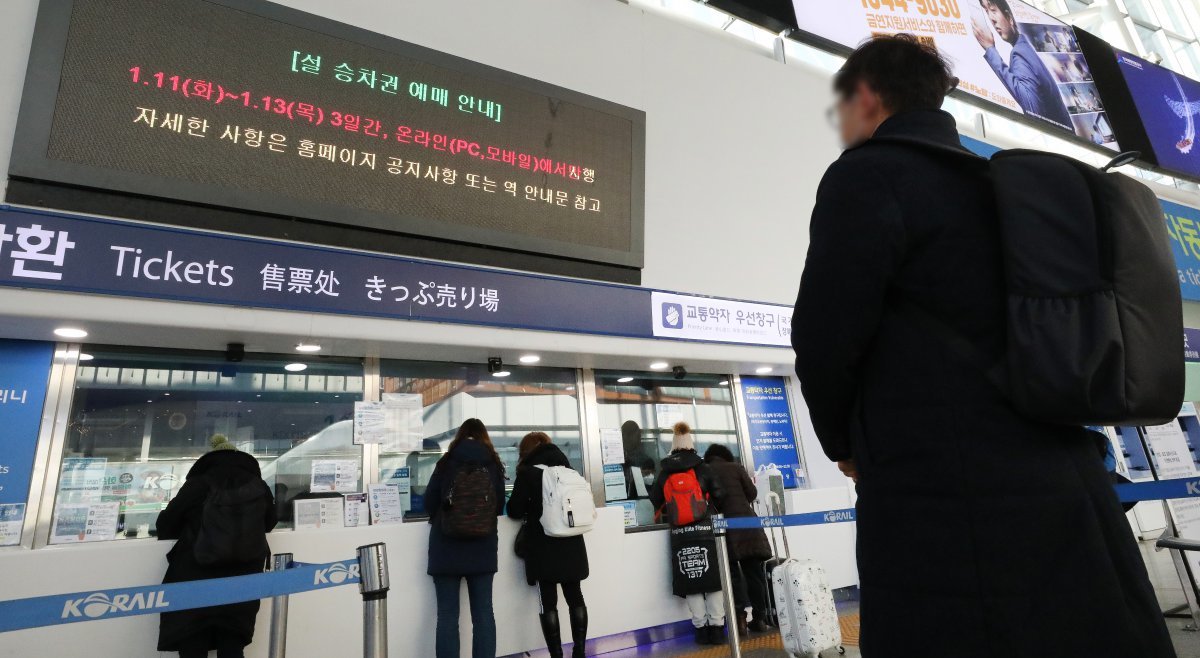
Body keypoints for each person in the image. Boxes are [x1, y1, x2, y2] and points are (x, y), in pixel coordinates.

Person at [793, 34, 1175, 656]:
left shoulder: (867, 174)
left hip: (946, 488)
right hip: (1061, 469)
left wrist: (844, 444)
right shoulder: (1003, 187)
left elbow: (825, 332)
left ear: (866, 98)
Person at [156, 435, 277, 658]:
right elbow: (270, 522)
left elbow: (166, 524)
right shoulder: (259, 486)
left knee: (193, 642)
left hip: (195, 576)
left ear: (210, 459)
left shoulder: (198, 484)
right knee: (233, 643)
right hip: (244, 578)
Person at [425, 418, 507, 658]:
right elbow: (498, 506)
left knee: (447, 616)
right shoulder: (493, 464)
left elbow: (430, 501)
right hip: (482, 547)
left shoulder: (446, 462)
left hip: (446, 547)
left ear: (459, 436)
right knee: (483, 614)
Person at [506, 432, 590, 658]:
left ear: (526, 451)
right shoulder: (568, 469)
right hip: (571, 542)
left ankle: (556, 655)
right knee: (575, 596)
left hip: (543, 545)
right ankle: (579, 652)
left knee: (548, 601)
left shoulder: (528, 473)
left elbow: (514, 510)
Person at [649, 422, 726, 645]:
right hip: (706, 531)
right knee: (712, 580)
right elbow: (720, 494)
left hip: (680, 534)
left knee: (692, 579)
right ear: (691, 443)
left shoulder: (665, 471)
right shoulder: (703, 467)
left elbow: (655, 499)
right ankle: (717, 628)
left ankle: (700, 629)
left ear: (673, 445)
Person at [702, 444, 774, 636]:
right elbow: (752, 493)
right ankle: (760, 618)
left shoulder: (706, 470)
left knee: (732, 576)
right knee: (754, 574)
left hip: (725, 528)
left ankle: (740, 620)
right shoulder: (736, 467)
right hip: (748, 526)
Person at [972, 0, 1073, 126]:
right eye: (987, 11)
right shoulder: (1026, 48)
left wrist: (990, 49)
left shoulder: (1019, 55)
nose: (991, 19)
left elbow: (1032, 110)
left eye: (993, 10)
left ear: (1009, 18)